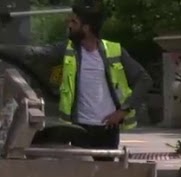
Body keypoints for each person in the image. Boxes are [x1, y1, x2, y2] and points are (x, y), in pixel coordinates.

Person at [0, 2, 152, 152]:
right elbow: (32, 54)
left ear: (86, 28)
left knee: (106, 173)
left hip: (108, 129)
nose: (69, 25)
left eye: (74, 22)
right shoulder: (66, 50)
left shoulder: (115, 51)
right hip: (80, 129)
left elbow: (144, 80)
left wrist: (123, 111)